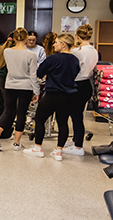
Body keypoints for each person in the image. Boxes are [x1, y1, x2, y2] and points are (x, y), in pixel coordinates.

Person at [23, 34, 80, 161]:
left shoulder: (53, 58)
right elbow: (75, 73)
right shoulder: (75, 60)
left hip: (53, 94)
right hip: (69, 95)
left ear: (63, 44)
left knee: (39, 119)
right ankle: (59, 151)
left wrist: (48, 74)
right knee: (63, 122)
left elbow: (39, 73)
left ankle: (38, 148)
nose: (54, 44)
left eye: (56, 42)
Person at [0, 28, 40, 152]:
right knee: (21, 113)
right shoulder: (31, 55)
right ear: (26, 38)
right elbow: (33, 75)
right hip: (25, 86)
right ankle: (16, 144)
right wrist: (37, 91)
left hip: (10, 85)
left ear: (15, 38)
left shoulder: (7, 51)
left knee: (7, 111)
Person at [64, 24, 99, 156]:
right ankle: (75, 140)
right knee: (78, 115)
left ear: (77, 37)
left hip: (76, 84)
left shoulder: (76, 52)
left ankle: (78, 146)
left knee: (76, 116)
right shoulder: (93, 50)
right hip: (86, 84)